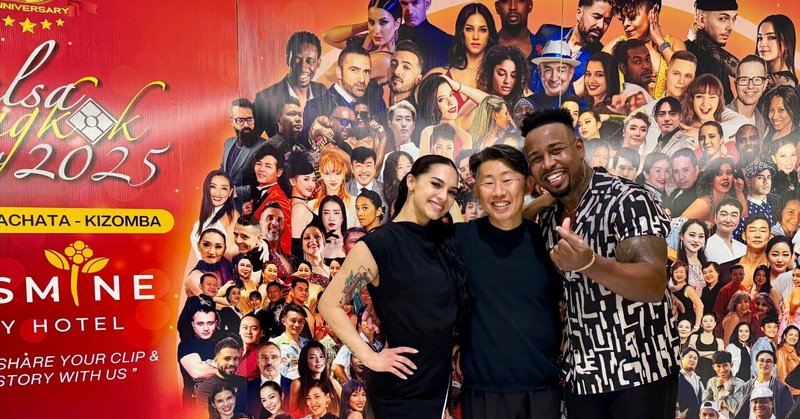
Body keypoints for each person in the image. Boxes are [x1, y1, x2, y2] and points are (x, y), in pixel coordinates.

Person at [522, 109, 678, 416]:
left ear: (579, 148)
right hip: (581, 376)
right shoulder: (549, 216)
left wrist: (589, 263)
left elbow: (653, 284)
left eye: (556, 150)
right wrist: (541, 201)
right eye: (536, 159)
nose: (548, 163)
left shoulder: (628, 198)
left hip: (639, 372)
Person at [319, 155, 463, 417]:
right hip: (399, 392)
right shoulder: (378, 245)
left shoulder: (444, 241)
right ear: (411, 181)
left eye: (451, 191)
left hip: (437, 387)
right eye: (435, 184)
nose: (444, 196)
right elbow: (329, 304)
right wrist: (369, 357)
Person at [455, 145, 563, 418]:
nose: (499, 192)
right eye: (488, 183)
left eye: (507, 180)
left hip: (542, 389)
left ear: (527, 184)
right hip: (483, 391)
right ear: (476, 189)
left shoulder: (547, 240)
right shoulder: (460, 239)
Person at [426, 2, 497, 125]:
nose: (475, 36)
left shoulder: (502, 77)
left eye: (482, 30)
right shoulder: (439, 74)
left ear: (489, 34)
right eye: (469, 29)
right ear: (461, 32)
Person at [603, 0, 686, 99]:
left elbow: (686, 77)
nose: (625, 24)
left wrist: (660, 41)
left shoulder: (672, 43)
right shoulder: (618, 46)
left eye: (632, 17)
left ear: (653, 12)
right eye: (623, 19)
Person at [303, 45, 386, 142]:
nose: (362, 79)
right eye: (354, 70)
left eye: (366, 71)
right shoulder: (316, 106)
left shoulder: (377, 104)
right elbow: (304, 144)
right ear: (339, 72)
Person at [532, 0, 614, 97]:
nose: (601, 25)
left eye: (607, 21)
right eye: (596, 17)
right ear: (579, 14)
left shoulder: (599, 56)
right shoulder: (547, 33)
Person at [254, 32, 326, 139]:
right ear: (288, 59)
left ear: (318, 63)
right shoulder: (265, 98)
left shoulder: (322, 90)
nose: (303, 67)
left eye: (310, 61)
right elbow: (251, 141)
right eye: (297, 59)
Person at [685, 0, 740, 104]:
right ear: (701, 19)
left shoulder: (719, 60)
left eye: (734, 19)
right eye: (723, 19)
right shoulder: (685, 53)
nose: (731, 27)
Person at [245, 144, 292, 255]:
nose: (261, 169)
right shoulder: (263, 192)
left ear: (279, 172)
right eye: (259, 164)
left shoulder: (279, 200)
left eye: (268, 166)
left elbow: (284, 242)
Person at [416, 74, 480, 154]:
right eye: (441, 99)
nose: (451, 102)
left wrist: (458, 86)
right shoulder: (428, 133)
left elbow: (492, 102)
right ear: (430, 106)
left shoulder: (462, 125)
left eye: (451, 94)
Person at [222, 99, 264, 209]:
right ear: (231, 121)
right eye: (240, 120)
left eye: (249, 119)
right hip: (225, 206)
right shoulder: (228, 143)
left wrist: (235, 191)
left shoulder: (264, 146)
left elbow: (265, 183)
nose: (246, 125)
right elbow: (222, 171)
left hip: (248, 208)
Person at [682, 158, 746, 229]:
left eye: (729, 173)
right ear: (711, 179)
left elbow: (743, 216)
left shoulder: (727, 198)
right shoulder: (704, 204)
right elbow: (679, 229)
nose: (725, 177)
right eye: (719, 174)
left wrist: (739, 192)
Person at [191, 170, 240, 262]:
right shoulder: (203, 218)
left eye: (224, 188)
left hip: (218, 269)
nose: (218, 193)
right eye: (213, 187)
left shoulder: (232, 215)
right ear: (206, 188)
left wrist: (256, 243)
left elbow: (230, 251)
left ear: (230, 192)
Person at [179, 305, 221, 405]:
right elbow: (198, 372)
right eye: (200, 324)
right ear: (193, 324)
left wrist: (208, 366)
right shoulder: (186, 345)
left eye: (210, 323)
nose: (206, 328)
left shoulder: (223, 343)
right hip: (194, 406)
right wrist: (229, 370)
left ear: (216, 323)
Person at [289, 340, 342, 417]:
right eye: (312, 357)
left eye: (321, 356)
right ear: (305, 361)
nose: (318, 361)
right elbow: (291, 414)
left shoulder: (333, 383)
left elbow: (346, 407)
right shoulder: (298, 384)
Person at [397, 0, 452, 72]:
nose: (410, 11)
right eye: (404, 3)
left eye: (415, 3)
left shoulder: (447, 42)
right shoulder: (390, 38)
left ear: (427, 4)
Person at [736, 350, 794, 419]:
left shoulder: (781, 389)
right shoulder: (747, 386)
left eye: (768, 361)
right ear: (756, 363)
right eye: (761, 360)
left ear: (774, 365)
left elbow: (789, 414)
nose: (764, 364)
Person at [196, 337, 247, 412]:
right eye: (227, 359)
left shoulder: (244, 382)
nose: (232, 363)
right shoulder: (206, 388)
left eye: (236, 359)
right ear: (216, 360)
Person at [527, 40, 581, 110]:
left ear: (570, 73)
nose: (554, 78)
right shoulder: (529, 104)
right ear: (540, 72)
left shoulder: (579, 108)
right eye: (548, 70)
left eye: (561, 70)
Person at [476, 45, 530, 112]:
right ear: (490, 73)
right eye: (501, 74)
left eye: (513, 76)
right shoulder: (476, 102)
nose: (507, 81)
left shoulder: (517, 106)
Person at [246, 342, 293, 417]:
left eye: (274, 357)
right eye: (264, 357)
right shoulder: (246, 389)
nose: (269, 362)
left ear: (281, 361)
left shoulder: (294, 386)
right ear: (258, 361)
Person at [728, 55, 769, 137]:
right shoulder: (719, 116)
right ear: (736, 84)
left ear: (765, 84)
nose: (750, 86)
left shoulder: (764, 125)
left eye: (757, 79)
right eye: (744, 80)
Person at [184, 228, 232, 299]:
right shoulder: (194, 277)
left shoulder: (225, 261)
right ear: (198, 246)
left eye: (218, 247)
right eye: (206, 245)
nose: (212, 252)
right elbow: (210, 302)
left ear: (224, 249)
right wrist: (225, 289)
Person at [269, 304, 309, 380]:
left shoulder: (308, 344)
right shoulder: (274, 344)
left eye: (301, 321)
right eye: (293, 321)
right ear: (284, 321)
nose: (297, 325)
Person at [702, 350, 746, 419]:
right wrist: (722, 405)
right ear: (714, 367)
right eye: (718, 366)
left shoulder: (740, 384)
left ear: (731, 365)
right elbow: (705, 404)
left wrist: (722, 390)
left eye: (725, 365)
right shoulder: (711, 382)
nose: (722, 370)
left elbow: (737, 409)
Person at [756, 15, 797, 87]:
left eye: (771, 38)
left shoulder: (786, 83)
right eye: (760, 38)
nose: (762, 44)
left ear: (787, 44)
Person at [611, 39, 655, 104]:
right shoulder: (634, 96)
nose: (646, 66)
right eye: (637, 61)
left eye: (647, 59)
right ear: (623, 68)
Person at [706, 198, 746, 264]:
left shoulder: (744, 249)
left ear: (739, 220)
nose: (728, 220)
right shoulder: (705, 246)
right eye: (724, 214)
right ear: (715, 218)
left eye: (734, 215)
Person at [690, 313, 724, 383]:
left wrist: (699, 353)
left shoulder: (719, 341)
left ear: (715, 324)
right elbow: (691, 355)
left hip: (713, 374)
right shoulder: (694, 337)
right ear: (701, 324)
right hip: (696, 373)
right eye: (705, 321)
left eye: (711, 321)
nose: (708, 323)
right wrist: (712, 353)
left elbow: (720, 358)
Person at [671, 260, 702, 330]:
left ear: (686, 274)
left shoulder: (688, 288)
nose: (679, 274)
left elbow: (700, 306)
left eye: (682, 272)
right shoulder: (671, 290)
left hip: (688, 325)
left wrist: (696, 326)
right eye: (676, 272)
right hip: (676, 325)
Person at [668, 148, 701, 216]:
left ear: (696, 169)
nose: (681, 177)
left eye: (685, 170)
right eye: (676, 171)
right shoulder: (675, 193)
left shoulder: (701, 195)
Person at [679, 347, 705, 419]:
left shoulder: (698, 380)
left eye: (695, 358)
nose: (692, 360)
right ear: (682, 358)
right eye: (690, 357)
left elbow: (704, 398)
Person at [776, 325, 800, 396]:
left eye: (796, 335)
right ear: (784, 336)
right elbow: (782, 377)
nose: (793, 337)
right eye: (791, 334)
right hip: (792, 393)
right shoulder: (781, 352)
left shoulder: (797, 352)